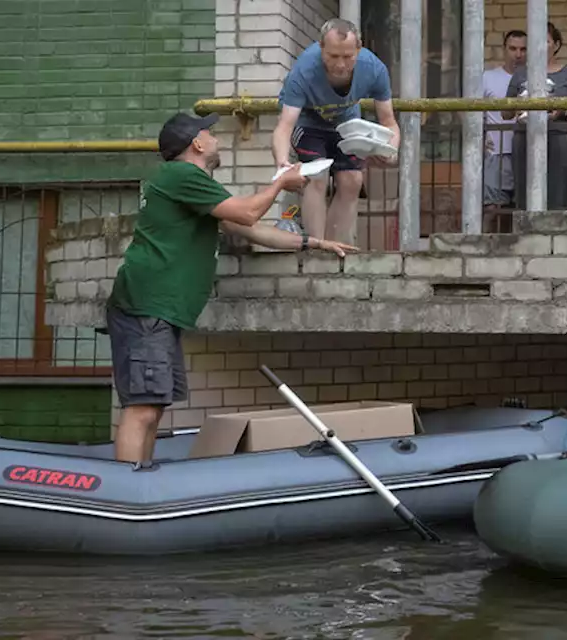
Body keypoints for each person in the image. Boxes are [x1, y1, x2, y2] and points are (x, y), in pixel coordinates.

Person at [106, 112, 358, 465]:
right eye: (209, 132)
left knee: (154, 406)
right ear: (196, 143)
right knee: (143, 409)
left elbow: (252, 229)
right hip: (146, 306)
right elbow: (247, 214)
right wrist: (280, 184)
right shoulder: (181, 175)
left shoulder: (192, 184)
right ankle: (126, 491)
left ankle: (141, 479)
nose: (216, 138)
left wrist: (314, 243)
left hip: (158, 308)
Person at [272, 18, 400, 247]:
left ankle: (337, 250)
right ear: (321, 47)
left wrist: (390, 151)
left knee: (352, 179)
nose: (340, 65)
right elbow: (284, 126)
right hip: (307, 123)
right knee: (317, 175)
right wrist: (283, 163)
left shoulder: (374, 69)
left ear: (358, 50)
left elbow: (389, 121)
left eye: (348, 57)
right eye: (333, 57)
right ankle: (316, 247)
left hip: (346, 123)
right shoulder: (303, 71)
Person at [502, 22, 567, 210]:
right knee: (524, 188)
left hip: (558, 137)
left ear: (556, 45)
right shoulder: (521, 72)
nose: (540, 46)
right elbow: (505, 112)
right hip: (524, 137)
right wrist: (520, 105)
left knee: (558, 189)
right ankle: (525, 233)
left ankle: (557, 233)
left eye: (546, 41)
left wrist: (563, 109)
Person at [482, 29, 527, 221]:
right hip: (498, 152)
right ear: (504, 50)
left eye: (523, 49)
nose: (518, 54)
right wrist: (480, 138)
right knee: (493, 208)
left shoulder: (535, 78)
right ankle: (482, 248)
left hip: (528, 151)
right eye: (513, 48)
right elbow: (469, 111)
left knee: (523, 208)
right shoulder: (488, 78)